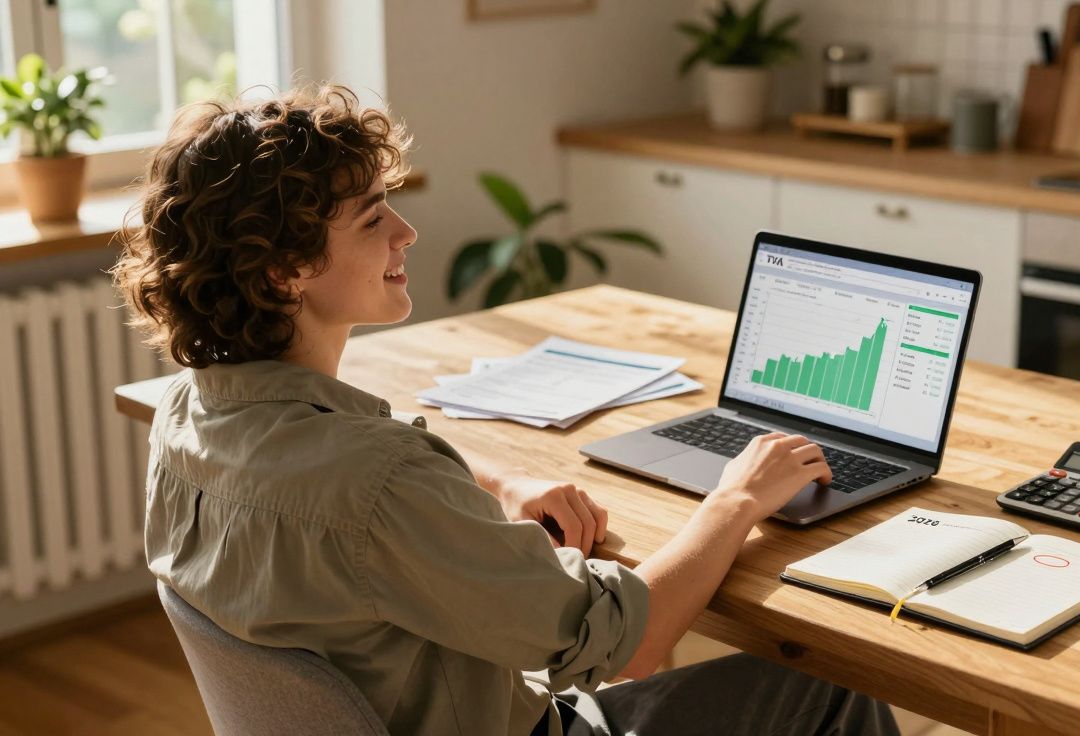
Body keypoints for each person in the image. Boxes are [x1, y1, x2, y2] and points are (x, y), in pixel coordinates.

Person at [113, 85, 898, 736]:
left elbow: (367, 476)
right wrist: (735, 501)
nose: (407, 231)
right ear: (287, 270)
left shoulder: (188, 414)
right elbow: (627, 643)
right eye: (372, 217)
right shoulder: (377, 483)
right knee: (836, 685)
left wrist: (501, 485)